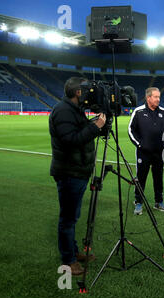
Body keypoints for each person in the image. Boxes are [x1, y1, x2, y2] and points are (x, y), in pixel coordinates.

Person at [49, 77, 106, 276]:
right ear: (78, 92)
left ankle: (72, 253)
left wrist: (95, 124)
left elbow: (79, 133)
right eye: (87, 90)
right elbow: (70, 140)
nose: (91, 93)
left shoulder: (74, 110)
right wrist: (95, 126)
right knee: (68, 219)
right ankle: (68, 261)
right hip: (69, 172)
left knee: (73, 216)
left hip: (77, 170)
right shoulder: (63, 111)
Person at [128, 87, 164, 215]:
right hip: (143, 153)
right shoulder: (139, 111)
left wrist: (163, 144)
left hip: (158, 153)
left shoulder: (163, 112)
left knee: (158, 178)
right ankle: (138, 202)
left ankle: (159, 202)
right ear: (148, 98)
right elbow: (131, 130)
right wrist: (140, 145)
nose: (158, 99)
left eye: (159, 97)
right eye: (156, 97)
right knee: (141, 178)